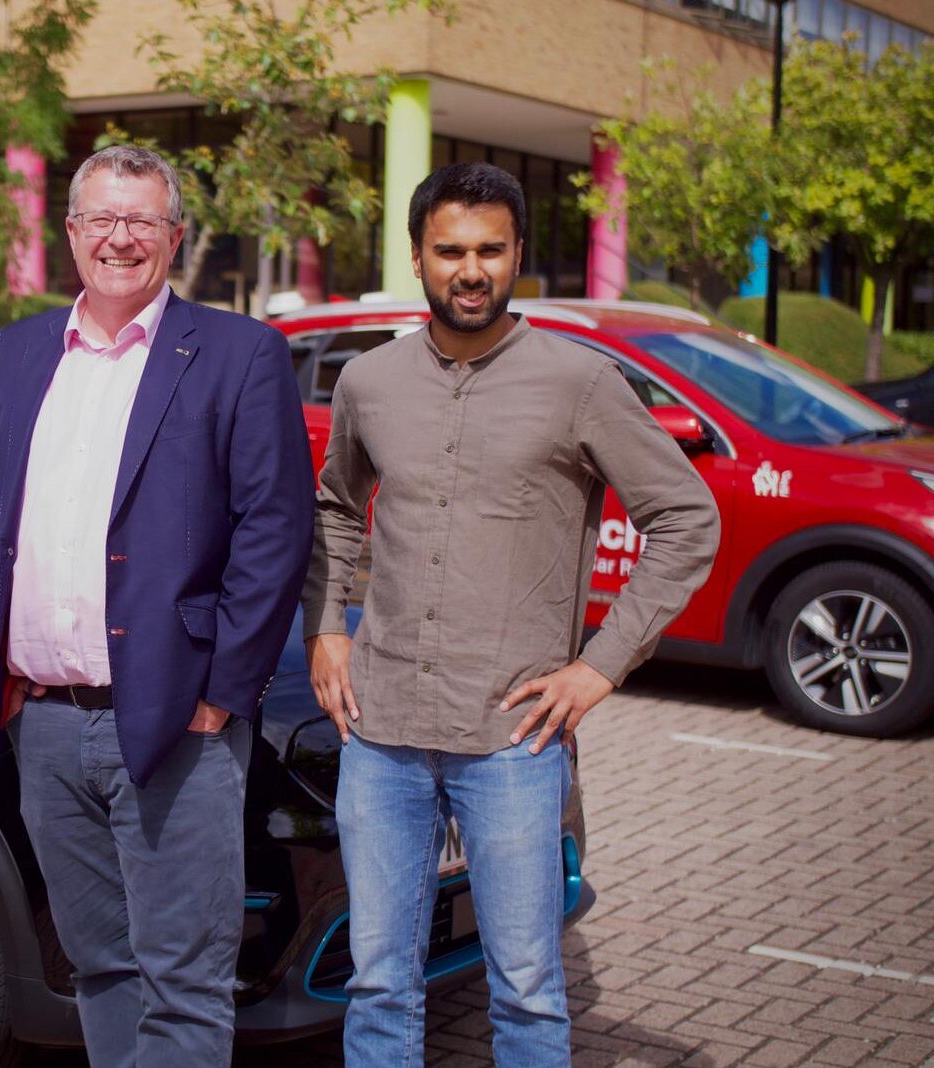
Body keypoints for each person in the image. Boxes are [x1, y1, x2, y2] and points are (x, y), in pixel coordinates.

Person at [302, 162, 720, 1064]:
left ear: (519, 254)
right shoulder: (368, 382)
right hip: (381, 735)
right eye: (450, 249)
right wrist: (328, 626)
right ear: (417, 257)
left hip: (513, 741)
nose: (471, 269)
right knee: (379, 985)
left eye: (491, 249)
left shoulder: (581, 382)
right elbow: (335, 506)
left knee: (526, 991)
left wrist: (600, 665)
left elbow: (686, 518)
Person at [0, 145, 312, 1066]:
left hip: (175, 724)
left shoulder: (241, 354)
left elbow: (274, 529)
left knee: (184, 983)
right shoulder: (21, 349)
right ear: (70, 233)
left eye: (142, 221)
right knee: (100, 967)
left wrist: (223, 691)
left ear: (175, 237)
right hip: (45, 723)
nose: (121, 239)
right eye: (102, 220)